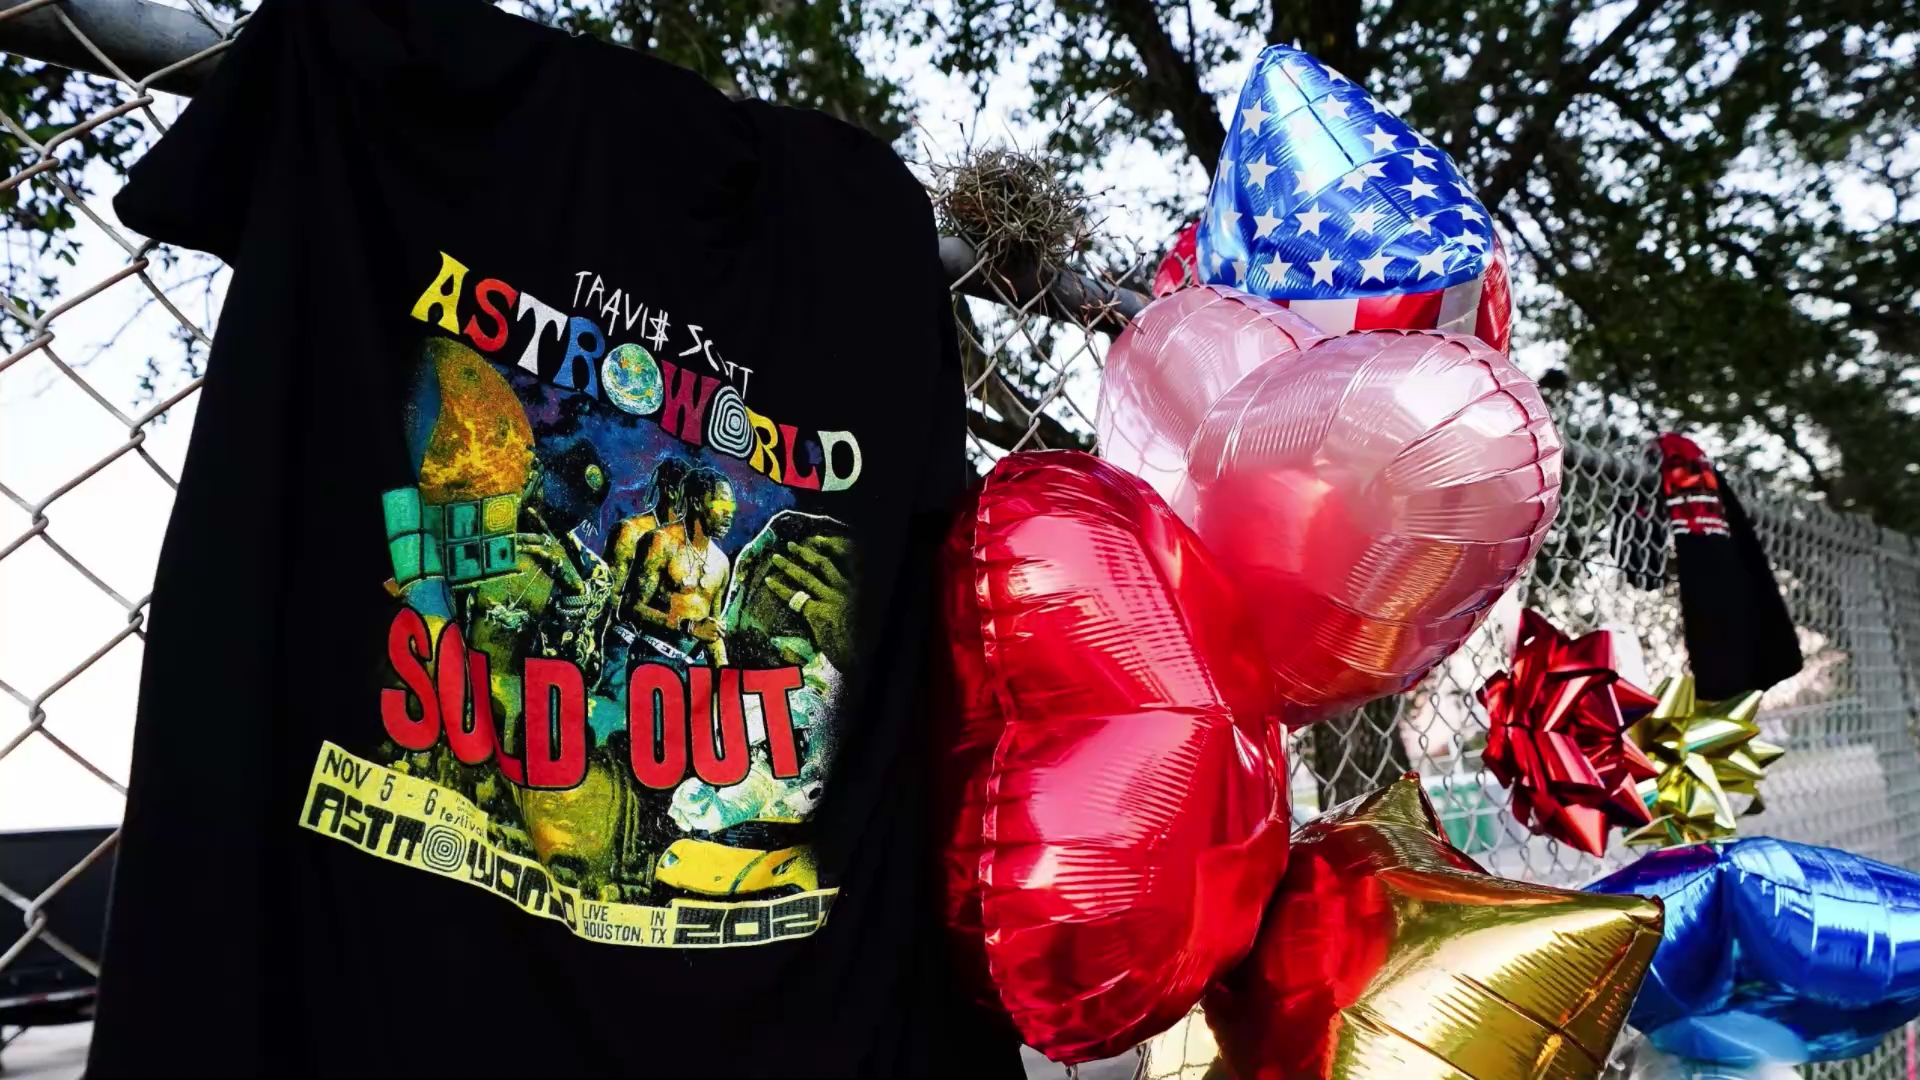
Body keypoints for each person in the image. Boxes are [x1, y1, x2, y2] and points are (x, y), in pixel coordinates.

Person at [626, 468, 735, 665]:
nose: (729, 514)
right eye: (721, 505)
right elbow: (631, 608)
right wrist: (689, 627)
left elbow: (713, 632)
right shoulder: (660, 542)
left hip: (694, 668)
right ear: (697, 503)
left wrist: (724, 672)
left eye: (731, 506)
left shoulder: (722, 563)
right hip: (652, 658)